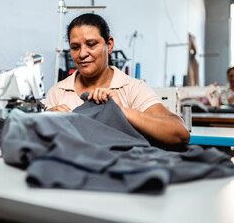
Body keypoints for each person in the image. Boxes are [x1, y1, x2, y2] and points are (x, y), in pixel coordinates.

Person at [45, 13, 190, 145]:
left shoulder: (132, 88)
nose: (82, 54)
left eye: (91, 44)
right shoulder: (58, 92)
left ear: (109, 45)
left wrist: (120, 111)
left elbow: (180, 133)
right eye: (75, 47)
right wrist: (46, 121)